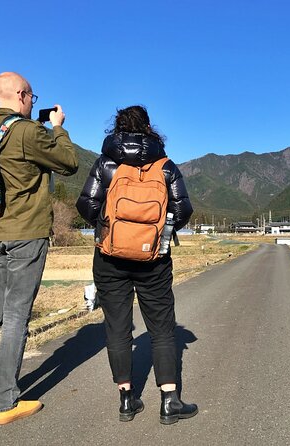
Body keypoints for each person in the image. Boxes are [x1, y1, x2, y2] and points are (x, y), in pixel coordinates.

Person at [0, 72, 78, 425]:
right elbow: (69, 162)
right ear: (21, 94)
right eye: (31, 95)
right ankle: (5, 403)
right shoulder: (28, 132)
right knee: (15, 316)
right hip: (25, 233)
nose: (33, 101)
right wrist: (57, 126)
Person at [76, 105, 196, 424]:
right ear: (148, 128)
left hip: (109, 257)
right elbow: (183, 209)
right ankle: (170, 400)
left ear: (117, 126)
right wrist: (158, 233)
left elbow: (85, 202)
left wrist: (109, 229)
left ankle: (127, 400)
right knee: (162, 328)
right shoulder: (165, 165)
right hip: (153, 258)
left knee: (117, 326)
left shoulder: (105, 163)